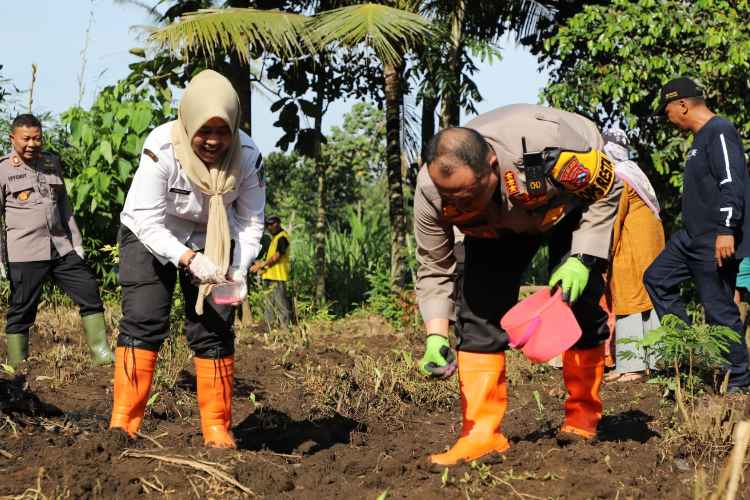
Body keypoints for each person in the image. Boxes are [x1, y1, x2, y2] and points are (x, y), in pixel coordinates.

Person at [414, 103, 623, 466]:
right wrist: (434, 335)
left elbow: (607, 189)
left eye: (466, 196)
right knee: (478, 312)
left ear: (492, 166)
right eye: (451, 199)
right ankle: (481, 434)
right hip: (499, 227)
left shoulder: (551, 146)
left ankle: (583, 416)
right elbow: (434, 264)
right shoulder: (432, 192)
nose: (457, 204)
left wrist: (582, 258)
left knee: (580, 302)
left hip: (569, 205)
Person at [109, 70, 265, 448]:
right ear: (188, 120)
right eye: (204, 131)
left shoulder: (247, 156)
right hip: (151, 235)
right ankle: (124, 426)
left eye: (222, 131)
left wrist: (239, 268)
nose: (212, 141)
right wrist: (189, 259)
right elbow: (145, 218)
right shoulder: (162, 146)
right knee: (145, 319)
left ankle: (217, 428)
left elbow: (249, 220)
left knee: (214, 328)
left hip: (213, 237)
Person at [645, 77, 750, 394]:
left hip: (713, 239)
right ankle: (690, 346)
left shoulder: (719, 130)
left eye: (667, 111)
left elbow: (732, 182)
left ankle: (740, 381)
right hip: (689, 237)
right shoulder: (700, 139)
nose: (667, 118)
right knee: (656, 278)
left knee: (719, 311)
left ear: (682, 104)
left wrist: (726, 229)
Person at [0, 114, 113, 368]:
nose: (32, 144)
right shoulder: (3, 169)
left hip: (60, 246)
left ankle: (101, 353)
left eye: (37, 138)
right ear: (13, 139)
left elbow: (64, 205)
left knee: (89, 291)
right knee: (21, 310)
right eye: (26, 139)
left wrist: (77, 241)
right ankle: (18, 366)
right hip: (25, 252)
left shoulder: (51, 162)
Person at [601, 128, 665, 382]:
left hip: (631, 249)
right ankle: (657, 362)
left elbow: (613, 222)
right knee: (649, 303)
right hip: (651, 247)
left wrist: (601, 255)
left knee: (629, 302)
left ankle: (631, 366)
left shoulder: (618, 178)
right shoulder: (634, 173)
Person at [250, 215, 294, 327]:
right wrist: (261, 266)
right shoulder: (275, 238)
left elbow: (278, 255)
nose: (270, 227)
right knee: (269, 303)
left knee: (280, 303)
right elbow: (271, 257)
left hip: (278, 276)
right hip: (270, 275)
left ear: (278, 224)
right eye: (268, 225)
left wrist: (262, 265)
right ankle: (268, 326)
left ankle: (285, 327)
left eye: (272, 224)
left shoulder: (282, 237)